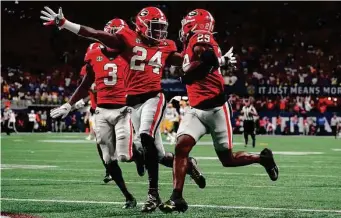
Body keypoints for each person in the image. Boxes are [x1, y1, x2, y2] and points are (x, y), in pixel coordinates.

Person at [40, 6, 206, 212]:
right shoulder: (126, 38)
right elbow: (94, 34)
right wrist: (65, 24)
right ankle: (188, 165)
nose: (160, 33)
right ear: (141, 26)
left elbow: (186, 62)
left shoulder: (166, 45)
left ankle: (152, 195)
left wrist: (215, 60)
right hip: (133, 103)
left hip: (154, 96)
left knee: (145, 136)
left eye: (162, 28)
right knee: (158, 154)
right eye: (155, 28)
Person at [159, 9, 278, 213]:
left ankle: (263, 158)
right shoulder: (192, 43)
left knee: (227, 160)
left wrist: (198, 69)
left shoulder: (199, 37)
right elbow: (204, 62)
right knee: (181, 147)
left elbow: (203, 60)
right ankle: (176, 197)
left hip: (216, 110)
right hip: (195, 109)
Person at [50, 19, 145, 209]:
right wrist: (68, 105)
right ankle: (128, 196)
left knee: (124, 156)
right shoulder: (94, 55)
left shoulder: (131, 55)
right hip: (100, 111)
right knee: (108, 159)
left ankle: (138, 156)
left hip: (122, 111)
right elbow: (85, 84)